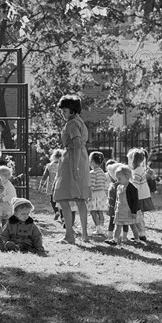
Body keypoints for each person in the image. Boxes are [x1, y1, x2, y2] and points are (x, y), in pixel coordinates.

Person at [52, 95, 91, 244]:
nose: (63, 113)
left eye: (65, 110)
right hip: (81, 158)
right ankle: (85, 235)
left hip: (72, 160)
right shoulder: (80, 122)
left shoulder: (71, 124)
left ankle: (70, 235)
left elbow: (75, 144)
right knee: (80, 198)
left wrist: (74, 168)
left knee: (61, 197)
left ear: (73, 110)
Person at [105, 164, 141, 246]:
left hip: (129, 211)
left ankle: (137, 239)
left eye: (120, 178)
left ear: (127, 176)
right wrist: (115, 208)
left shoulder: (132, 189)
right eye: (117, 178)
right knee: (118, 225)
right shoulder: (119, 187)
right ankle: (114, 240)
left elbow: (135, 201)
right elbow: (118, 199)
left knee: (133, 225)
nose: (117, 180)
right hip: (120, 210)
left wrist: (134, 212)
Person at [128, 148, 155, 242]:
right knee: (140, 216)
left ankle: (141, 234)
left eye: (128, 159)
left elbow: (135, 186)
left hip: (139, 197)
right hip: (143, 195)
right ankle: (141, 233)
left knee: (138, 215)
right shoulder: (140, 169)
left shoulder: (136, 172)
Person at [105, 161, 129, 241]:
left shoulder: (113, 186)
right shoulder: (125, 185)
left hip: (114, 208)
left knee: (112, 222)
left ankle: (110, 235)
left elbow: (111, 198)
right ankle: (124, 237)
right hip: (124, 208)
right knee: (125, 223)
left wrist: (109, 207)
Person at [87, 151, 107, 235]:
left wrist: (88, 195)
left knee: (93, 212)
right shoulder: (102, 172)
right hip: (102, 194)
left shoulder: (92, 173)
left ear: (92, 161)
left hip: (94, 195)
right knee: (100, 212)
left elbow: (91, 186)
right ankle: (101, 228)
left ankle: (98, 228)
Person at [39, 149, 62, 219]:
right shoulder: (63, 165)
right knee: (61, 201)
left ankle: (56, 211)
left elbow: (45, 176)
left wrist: (41, 185)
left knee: (52, 199)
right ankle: (62, 216)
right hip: (61, 185)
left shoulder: (49, 166)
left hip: (52, 186)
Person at [0, 165, 16, 231]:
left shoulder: (9, 185)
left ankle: (4, 228)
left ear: (6, 177)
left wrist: (3, 199)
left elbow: (12, 195)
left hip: (6, 204)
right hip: (0, 204)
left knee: (5, 217)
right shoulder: (0, 184)